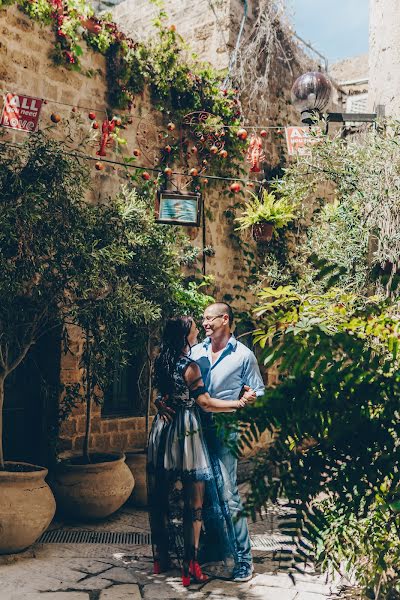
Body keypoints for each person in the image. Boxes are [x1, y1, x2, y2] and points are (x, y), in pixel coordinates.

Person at [157, 303, 265, 583]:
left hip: (224, 429)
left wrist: (250, 398)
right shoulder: (196, 350)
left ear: (225, 319)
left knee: (228, 495)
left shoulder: (244, 355)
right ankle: (212, 548)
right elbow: (176, 382)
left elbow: (257, 390)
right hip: (194, 429)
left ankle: (243, 560)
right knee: (202, 497)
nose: (204, 323)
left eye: (208, 318)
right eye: (202, 319)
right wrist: (161, 401)